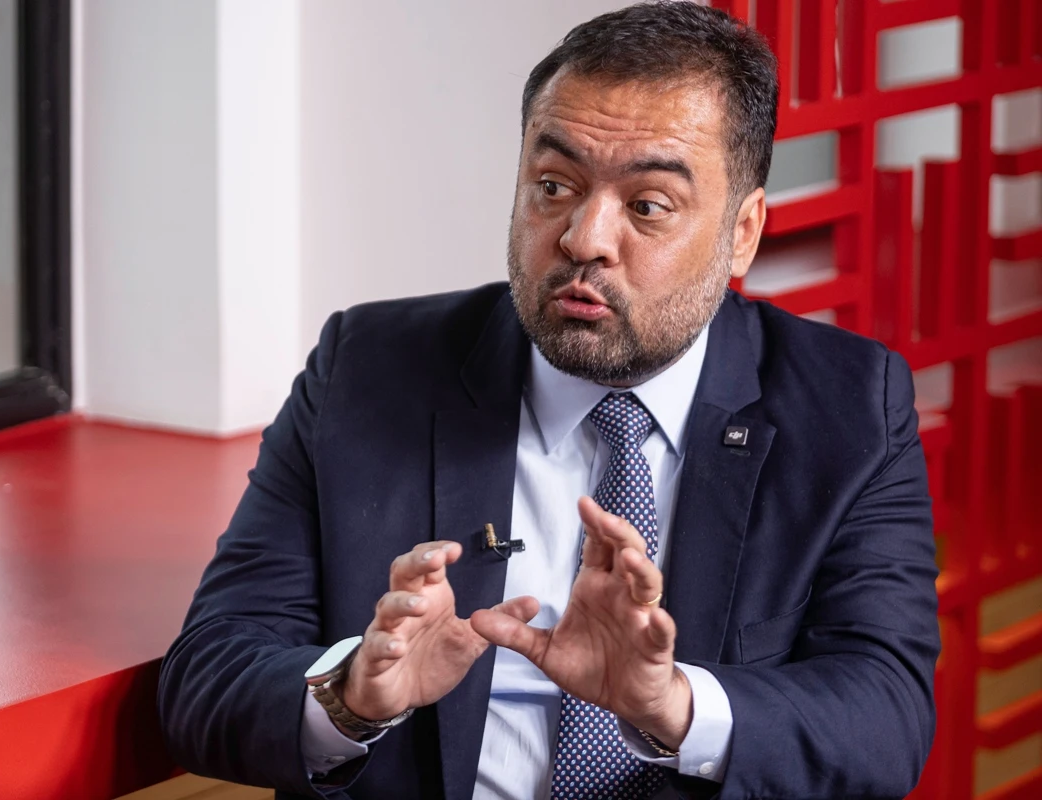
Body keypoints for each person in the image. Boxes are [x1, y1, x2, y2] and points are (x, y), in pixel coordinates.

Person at [158, 2, 940, 798]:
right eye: (555, 186)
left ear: (743, 232)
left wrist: (672, 706)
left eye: (647, 206)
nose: (583, 238)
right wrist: (354, 695)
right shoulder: (367, 368)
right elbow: (206, 678)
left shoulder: (850, 405)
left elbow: (885, 721)